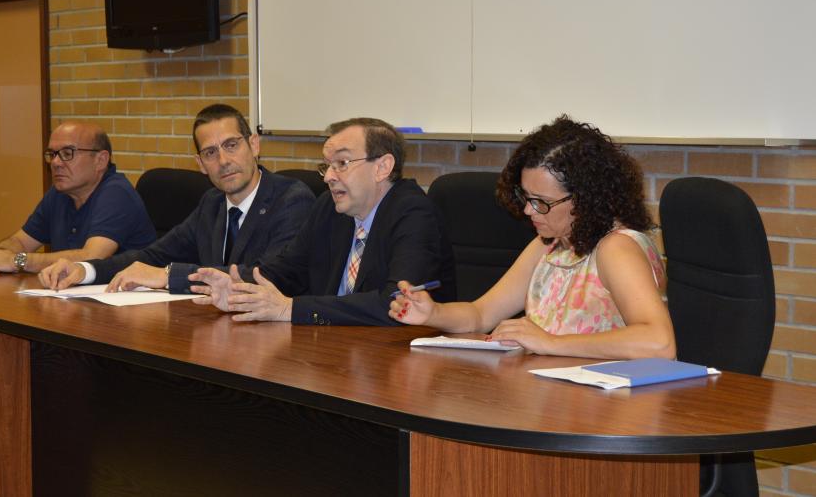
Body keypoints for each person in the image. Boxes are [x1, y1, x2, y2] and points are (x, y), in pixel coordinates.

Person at [389, 116, 675, 360]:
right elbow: (480, 314)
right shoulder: (550, 245)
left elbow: (660, 344)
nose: (528, 210)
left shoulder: (616, 248)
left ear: (585, 200)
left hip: (607, 412)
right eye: (525, 197)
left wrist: (551, 343)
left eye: (541, 201)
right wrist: (432, 313)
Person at [191, 117, 456, 326]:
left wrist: (291, 309)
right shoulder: (329, 207)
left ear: (382, 167)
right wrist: (239, 289)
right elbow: (287, 270)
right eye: (327, 165)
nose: (328, 176)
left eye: (341, 163)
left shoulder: (415, 214)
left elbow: (395, 304)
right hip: (334, 353)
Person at [38, 104, 315, 293]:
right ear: (200, 164)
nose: (223, 161)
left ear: (253, 145)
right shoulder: (212, 203)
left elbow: (267, 275)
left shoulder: (290, 199)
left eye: (231, 145)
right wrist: (84, 270)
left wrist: (169, 276)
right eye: (210, 153)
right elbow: (151, 256)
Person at [0, 122, 156, 275]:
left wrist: (16, 261)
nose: (56, 163)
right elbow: (20, 242)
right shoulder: (60, 192)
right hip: (71, 299)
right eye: (52, 154)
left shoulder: (117, 194)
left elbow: (91, 257)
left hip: (122, 306)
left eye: (68, 154)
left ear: (100, 160)